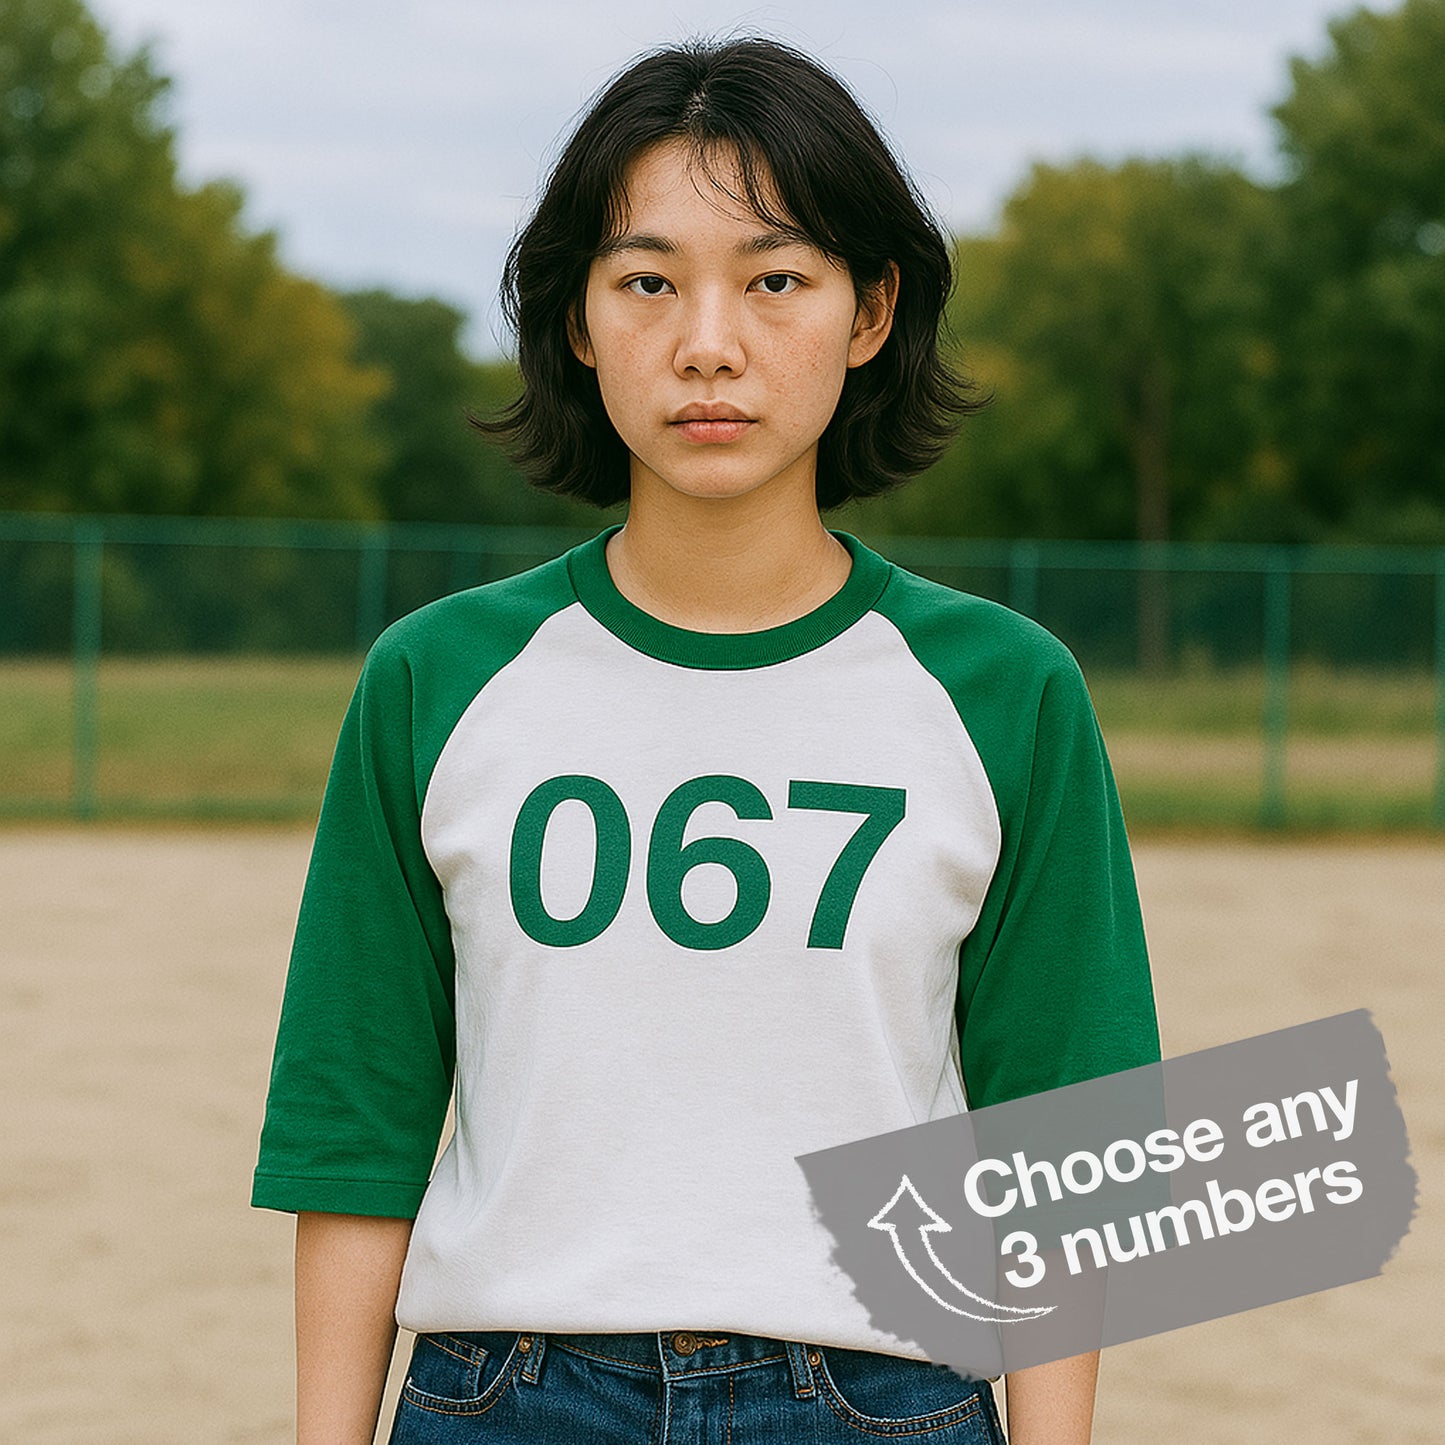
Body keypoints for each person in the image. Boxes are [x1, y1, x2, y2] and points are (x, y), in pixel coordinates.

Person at [252, 35, 1160, 1445]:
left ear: (870, 313)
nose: (707, 342)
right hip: (506, 1396)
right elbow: (354, 1131)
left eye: (775, 278)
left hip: (879, 1397)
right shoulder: (438, 678)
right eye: (647, 281)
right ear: (575, 318)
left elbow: (1065, 1145)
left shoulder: (1003, 691)